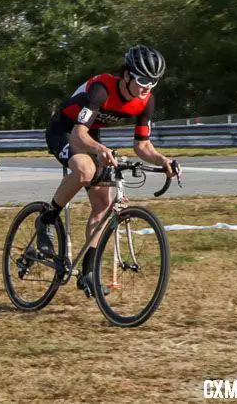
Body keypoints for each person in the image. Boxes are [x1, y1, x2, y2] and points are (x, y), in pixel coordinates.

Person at [36, 45, 177, 298]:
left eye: (154, 82)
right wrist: (99, 149)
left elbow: (142, 145)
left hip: (90, 136)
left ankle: (88, 273)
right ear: (126, 75)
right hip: (65, 130)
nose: (147, 87)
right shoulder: (102, 89)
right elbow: (79, 133)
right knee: (85, 169)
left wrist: (162, 160)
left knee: (102, 206)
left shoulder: (146, 100)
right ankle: (46, 218)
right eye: (143, 79)